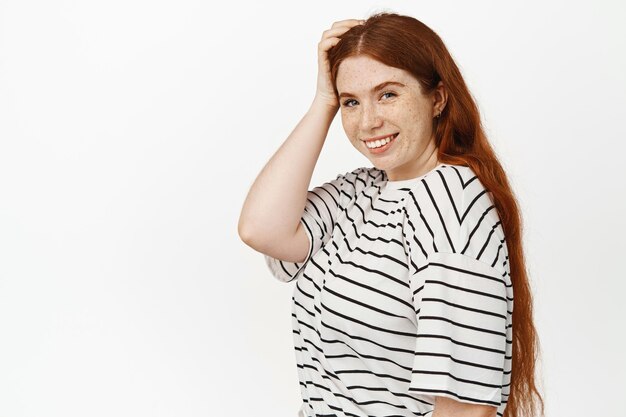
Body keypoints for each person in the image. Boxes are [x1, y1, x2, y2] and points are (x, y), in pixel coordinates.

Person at [238, 12, 544, 417]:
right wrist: (322, 102)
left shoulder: (453, 206)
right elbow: (260, 228)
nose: (368, 121)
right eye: (351, 101)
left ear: (437, 97)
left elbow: (468, 408)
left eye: (388, 94)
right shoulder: (363, 188)